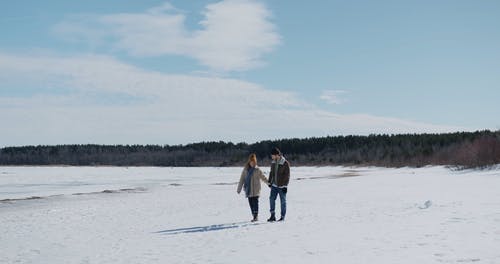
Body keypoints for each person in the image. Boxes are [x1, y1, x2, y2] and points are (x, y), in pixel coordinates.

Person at [237, 153, 269, 222]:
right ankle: (254, 215)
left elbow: (263, 177)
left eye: (254, 162)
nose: (253, 163)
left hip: (256, 189)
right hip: (249, 190)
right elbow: (242, 179)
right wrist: (239, 189)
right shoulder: (246, 170)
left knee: (256, 202)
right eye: (252, 162)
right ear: (249, 162)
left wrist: (268, 183)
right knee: (251, 203)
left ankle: (255, 216)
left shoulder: (257, 169)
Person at [267, 147, 290, 222]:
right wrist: (269, 182)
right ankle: (272, 215)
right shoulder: (273, 162)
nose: (271, 157)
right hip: (274, 185)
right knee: (271, 199)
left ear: (277, 155)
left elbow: (287, 175)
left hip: (281, 186)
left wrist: (285, 186)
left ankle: (282, 216)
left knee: (283, 201)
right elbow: (271, 172)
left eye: (272, 155)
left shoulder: (285, 163)